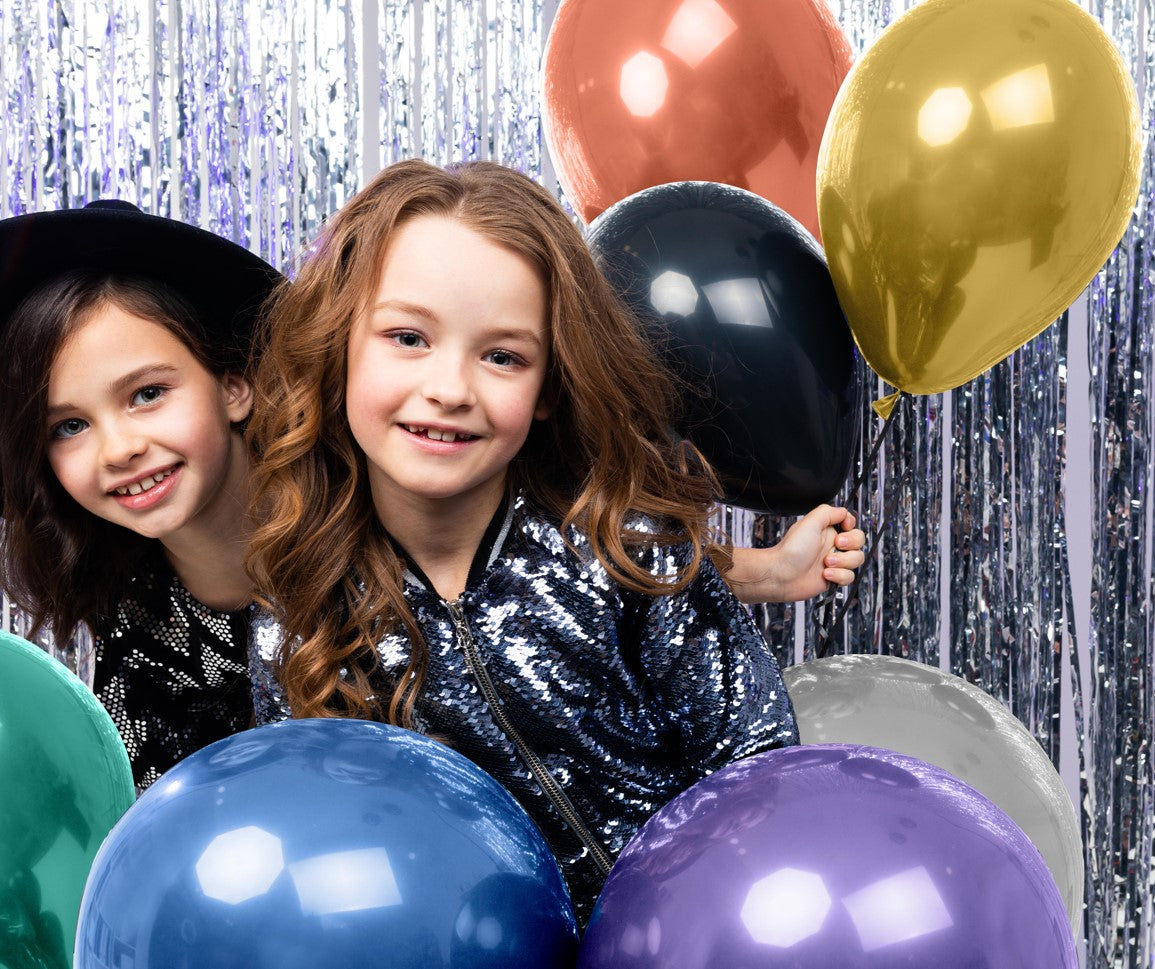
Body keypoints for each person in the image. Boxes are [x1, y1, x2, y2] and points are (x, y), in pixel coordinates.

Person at [246, 159, 865, 918]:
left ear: (546, 389)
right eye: (408, 337)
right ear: (340, 344)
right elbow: (315, 851)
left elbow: (755, 763)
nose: (449, 389)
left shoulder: (630, 550)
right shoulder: (301, 608)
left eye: (502, 356)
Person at [0, 201, 281, 791]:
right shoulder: (123, 625)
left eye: (147, 394)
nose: (119, 449)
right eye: (69, 426)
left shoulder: (374, 554)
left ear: (234, 386)